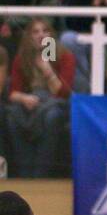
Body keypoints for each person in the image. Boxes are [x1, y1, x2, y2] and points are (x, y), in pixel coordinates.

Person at [5, 17, 72, 179]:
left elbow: (64, 93)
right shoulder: (22, 58)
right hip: (30, 101)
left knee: (51, 116)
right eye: (35, 32)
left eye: (45, 31)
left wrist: (47, 70)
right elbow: (13, 92)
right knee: (12, 117)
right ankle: (24, 174)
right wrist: (24, 98)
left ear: (52, 35)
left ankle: (41, 174)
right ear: (29, 36)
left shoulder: (65, 56)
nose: (41, 35)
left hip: (55, 102)